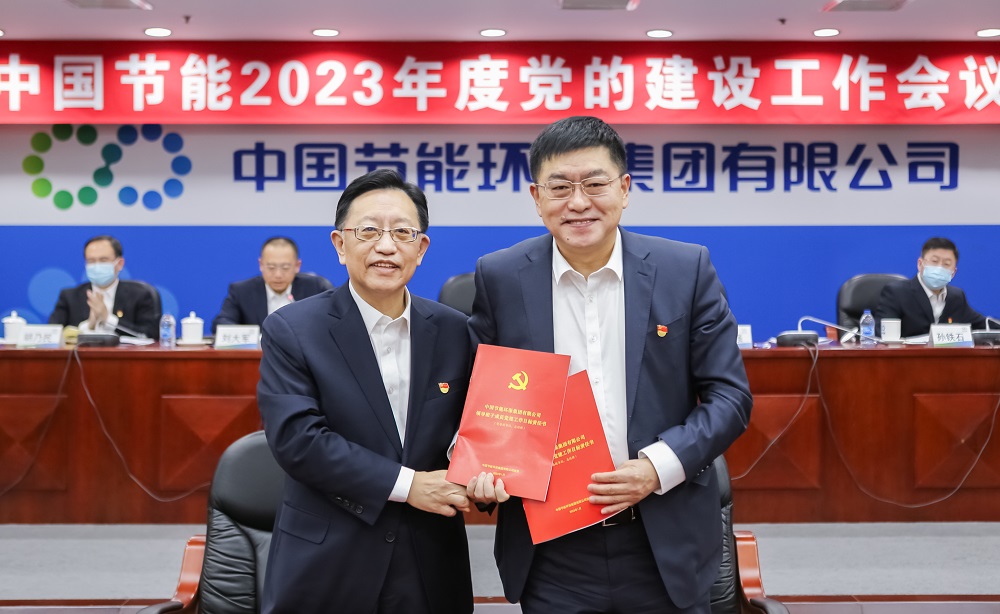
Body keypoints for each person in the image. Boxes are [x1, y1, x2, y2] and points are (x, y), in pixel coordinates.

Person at [464, 116, 753, 614]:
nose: (578, 203)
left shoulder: (685, 270)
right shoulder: (501, 276)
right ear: (536, 198)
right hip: (552, 547)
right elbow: (480, 396)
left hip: (662, 535)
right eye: (559, 187)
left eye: (594, 184)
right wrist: (482, 466)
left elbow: (730, 397)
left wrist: (656, 468)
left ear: (624, 189)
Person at [257, 169, 474, 614]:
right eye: (369, 231)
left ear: (421, 248)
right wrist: (409, 485)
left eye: (402, 232)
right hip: (328, 560)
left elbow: (472, 428)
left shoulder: (456, 331)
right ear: (340, 244)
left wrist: (485, 470)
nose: (386, 246)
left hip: (430, 560)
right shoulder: (293, 329)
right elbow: (299, 441)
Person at [48, 235, 161, 339]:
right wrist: (88, 326)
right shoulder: (70, 297)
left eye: (103, 260)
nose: (97, 266)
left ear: (120, 264)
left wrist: (107, 318)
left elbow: (149, 335)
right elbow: (52, 335)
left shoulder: (140, 295)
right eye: (91, 261)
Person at [212, 236, 333, 332]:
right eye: (271, 267)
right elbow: (221, 323)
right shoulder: (242, 291)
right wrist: (251, 336)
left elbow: (335, 319)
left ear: (297, 266)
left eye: (285, 268)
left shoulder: (316, 288)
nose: (278, 275)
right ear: (261, 265)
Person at [875, 237, 988, 338]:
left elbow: (985, 324)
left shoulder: (956, 297)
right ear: (920, 264)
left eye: (946, 264)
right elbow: (883, 336)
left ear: (953, 272)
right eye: (934, 261)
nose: (939, 268)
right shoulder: (896, 293)